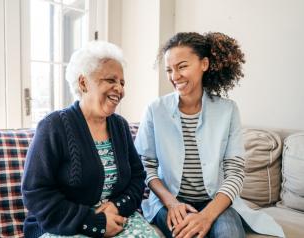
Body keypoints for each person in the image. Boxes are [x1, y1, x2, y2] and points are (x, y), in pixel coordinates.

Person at [134, 32, 284, 238]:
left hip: (215, 201)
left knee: (229, 234)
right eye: (169, 69)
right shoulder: (155, 109)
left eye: (182, 66)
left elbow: (235, 172)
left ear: (204, 64)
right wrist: (171, 203)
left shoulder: (228, 110)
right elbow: (145, 165)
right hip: (170, 201)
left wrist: (207, 215)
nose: (174, 76)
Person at [22, 41, 159, 238]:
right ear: (83, 83)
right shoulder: (54, 126)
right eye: (111, 80)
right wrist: (93, 222)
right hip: (64, 224)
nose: (119, 89)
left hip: (117, 218)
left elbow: (137, 177)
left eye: (122, 83)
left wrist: (116, 206)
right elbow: (35, 192)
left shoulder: (120, 126)